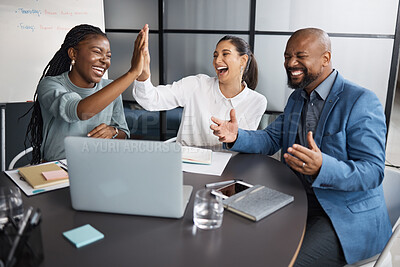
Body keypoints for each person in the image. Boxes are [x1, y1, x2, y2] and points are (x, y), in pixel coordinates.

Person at [211, 28, 391, 266]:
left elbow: (373, 172)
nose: (291, 63)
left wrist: (322, 167)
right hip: (297, 200)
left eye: (300, 56)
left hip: (342, 216)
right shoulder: (297, 98)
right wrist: (236, 136)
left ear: (325, 58)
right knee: (239, 237)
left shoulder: (360, 101)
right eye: (287, 56)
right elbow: (271, 139)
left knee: (288, 262)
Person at [25, 24, 149, 163]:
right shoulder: (51, 85)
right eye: (97, 52)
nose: (104, 60)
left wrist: (112, 132)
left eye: (108, 56)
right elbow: (79, 110)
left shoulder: (110, 87)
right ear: (74, 54)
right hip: (58, 168)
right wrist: (133, 73)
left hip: (99, 165)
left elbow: (124, 133)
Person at [132, 34, 267, 148]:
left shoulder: (257, 101)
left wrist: (234, 138)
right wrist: (142, 74)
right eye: (215, 55)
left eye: (225, 54)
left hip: (227, 169)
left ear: (243, 60)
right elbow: (151, 99)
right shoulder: (196, 84)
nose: (217, 60)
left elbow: (245, 146)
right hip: (186, 165)